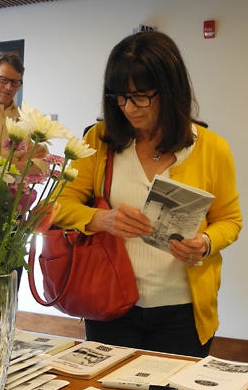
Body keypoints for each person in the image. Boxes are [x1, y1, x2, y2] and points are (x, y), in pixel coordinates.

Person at [53, 31, 242, 358]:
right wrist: (102, 219)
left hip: (183, 310)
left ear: (170, 89)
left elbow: (230, 220)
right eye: (119, 97)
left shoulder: (213, 148)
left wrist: (206, 243)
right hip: (109, 301)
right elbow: (58, 205)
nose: (128, 108)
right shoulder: (100, 139)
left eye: (140, 96)